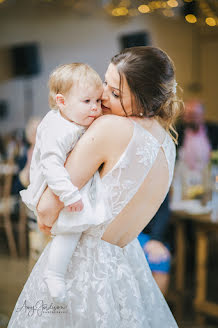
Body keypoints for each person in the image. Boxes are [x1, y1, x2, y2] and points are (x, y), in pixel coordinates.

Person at [8, 46, 181, 327]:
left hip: (82, 267)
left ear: (142, 98)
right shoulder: (168, 142)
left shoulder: (110, 128)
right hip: (129, 267)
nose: (102, 96)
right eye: (105, 83)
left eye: (115, 93)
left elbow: (48, 209)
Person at [20, 63, 104, 304]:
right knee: (70, 229)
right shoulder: (58, 128)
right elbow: (51, 165)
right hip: (49, 189)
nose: (95, 108)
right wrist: (69, 195)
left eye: (98, 101)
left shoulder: (73, 120)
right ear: (61, 101)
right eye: (87, 101)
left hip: (63, 188)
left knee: (73, 230)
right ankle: (54, 274)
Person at [137, 193, 172, 295]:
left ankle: (155, 309)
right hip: (126, 232)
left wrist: (156, 239)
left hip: (150, 234)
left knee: (160, 259)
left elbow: (163, 211)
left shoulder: (160, 177)